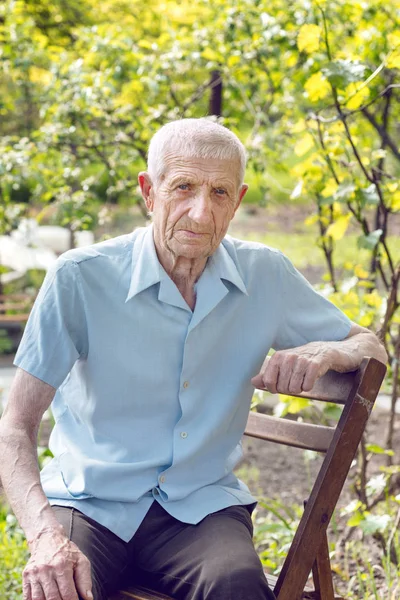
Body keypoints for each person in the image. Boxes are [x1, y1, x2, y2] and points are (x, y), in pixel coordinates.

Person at [0, 118, 387, 600]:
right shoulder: (81, 278)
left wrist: (329, 350)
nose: (201, 214)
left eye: (220, 193)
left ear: (238, 201)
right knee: (59, 588)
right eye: (183, 187)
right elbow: (16, 425)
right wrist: (43, 536)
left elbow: (371, 346)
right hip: (87, 502)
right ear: (149, 191)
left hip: (199, 510)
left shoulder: (266, 274)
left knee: (238, 588)